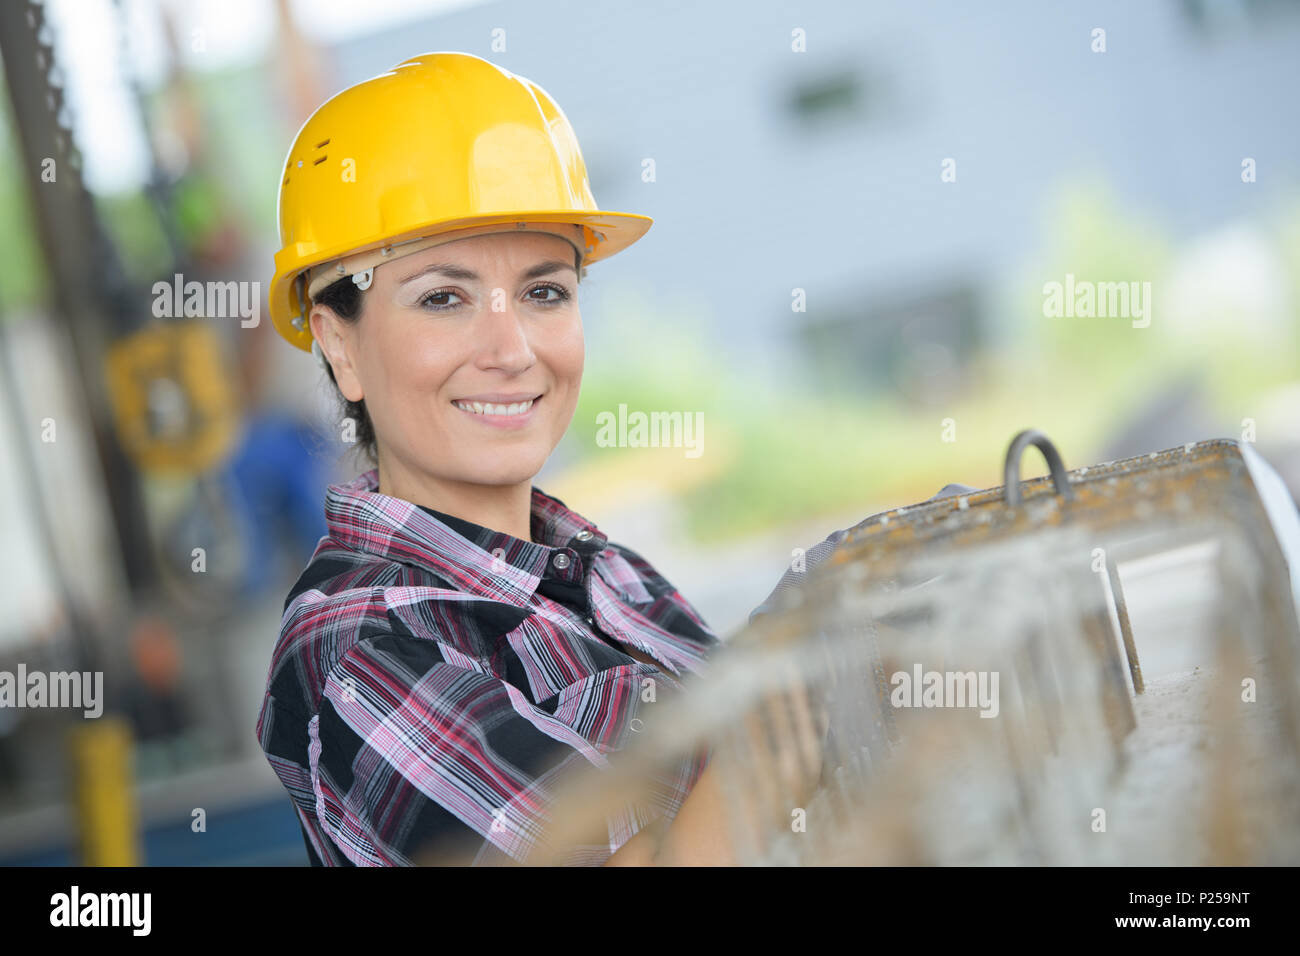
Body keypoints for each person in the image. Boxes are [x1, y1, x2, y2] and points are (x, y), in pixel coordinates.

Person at [255, 52, 879, 867]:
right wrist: (807, 662)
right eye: (444, 297)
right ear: (340, 344)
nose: (512, 349)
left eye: (545, 292)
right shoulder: (358, 650)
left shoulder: (608, 575)